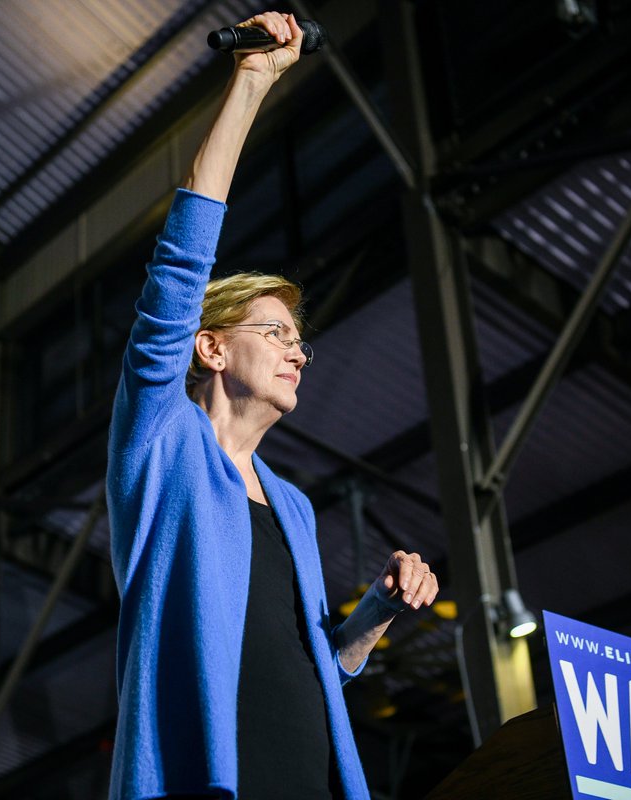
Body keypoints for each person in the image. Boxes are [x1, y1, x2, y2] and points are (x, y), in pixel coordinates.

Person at [107, 12, 438, 799]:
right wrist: (252, 82)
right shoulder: (162, 440)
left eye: (302, 342)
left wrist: (379, 612)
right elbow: (181, 264)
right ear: (211, 349)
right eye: (276, 333)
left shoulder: (291, 506)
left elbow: (326, 664)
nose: (298, 352)